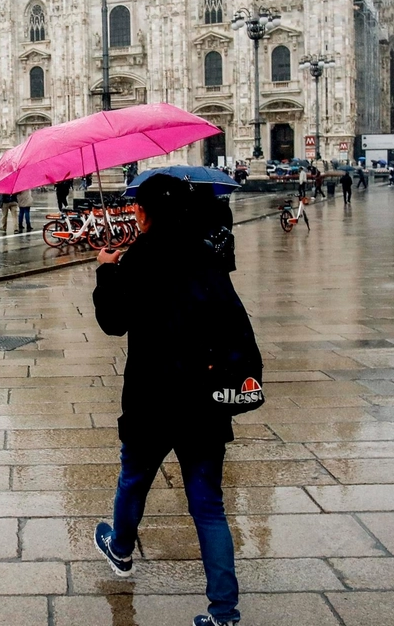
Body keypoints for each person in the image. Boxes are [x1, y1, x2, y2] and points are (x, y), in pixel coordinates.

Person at [91, 175, 245, 626]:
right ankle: (224, 612)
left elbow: (113, 323)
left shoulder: (137, 260)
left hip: (151, 400)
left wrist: (106, 269)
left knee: (133, 480)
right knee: (209, 508)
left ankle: (120, 550)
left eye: (138, 207)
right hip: (203, 400)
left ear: (144, 212)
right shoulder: (208, 257)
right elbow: (233, 323)